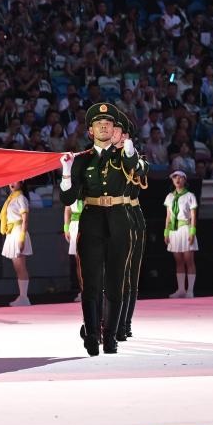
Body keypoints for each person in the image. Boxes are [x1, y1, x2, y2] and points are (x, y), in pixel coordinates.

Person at [60, 102, 140, 356]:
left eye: (108, 123)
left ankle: (111, 336)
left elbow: (135, 168)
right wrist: (66, 172)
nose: (104, 126)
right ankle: (92, 335)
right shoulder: (82, 160)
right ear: (90, 131)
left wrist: (128, 146)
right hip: (92, 220)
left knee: (116, 281)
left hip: (118, 219)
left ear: (114, 129)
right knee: (91, 283)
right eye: (98, 124)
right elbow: (67, 198)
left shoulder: (123, 155)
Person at [118, 111, 147, 339]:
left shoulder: (135, 157)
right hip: (106, 216)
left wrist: (129, 152)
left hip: (130, 215)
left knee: (129, 274)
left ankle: (124, 323)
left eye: (120, 132)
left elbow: (139, 169)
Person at [164, 170, 198, 298]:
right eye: (174, 177)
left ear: (185, 180)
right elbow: (168, 216)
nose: (177, 180)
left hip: (185, 228)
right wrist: (166, 232)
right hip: (174, 231)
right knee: (178, 261)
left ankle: (190, 290)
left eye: (180, 177)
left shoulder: (190, 196)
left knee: (189, 260)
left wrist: (192, 232)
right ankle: (181, 290)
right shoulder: (169, 196)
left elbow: (193, 216)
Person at [0, 182, 32, 306]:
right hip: (12, 232)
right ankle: (22, 296)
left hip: (18, 232)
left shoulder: (21, 198)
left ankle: (24, 297)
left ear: (22, 183)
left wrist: (22, 237)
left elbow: (25, 219)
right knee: (17, 267)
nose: (12, 183)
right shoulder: (11, 198)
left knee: (21, 266)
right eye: (11, 181)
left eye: (15, 181)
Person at [64, 199, 84, 302]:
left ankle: (97, 290)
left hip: (91, 224)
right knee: (79, 261)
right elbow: (67, 209)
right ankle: (83, 291)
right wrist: (66, 228)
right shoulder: (72, 193)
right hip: (75, 227)